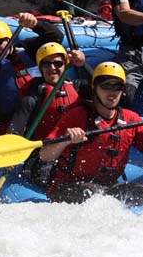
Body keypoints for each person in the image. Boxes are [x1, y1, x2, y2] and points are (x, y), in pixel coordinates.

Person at [38, 61, 143, 206]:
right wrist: (65, 141)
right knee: (95, 195)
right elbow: (44, 155)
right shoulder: (77, 115)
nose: (112, 92)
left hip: (106, 188)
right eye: (106, 86)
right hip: (67, 187)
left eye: (117, 87)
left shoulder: (130, 119)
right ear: (95, 88)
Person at [6, 42, 93, 187]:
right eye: (46, 64)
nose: (52, 68)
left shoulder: (76, 86)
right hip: (43, 156)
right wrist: (10, 155)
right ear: (40, 68)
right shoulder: (34, 93)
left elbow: (99, 87)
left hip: (73, 153)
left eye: (58, 63)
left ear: (65, 65)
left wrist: (83, 65)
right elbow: (17, 126)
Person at [0, 13, 63, 134]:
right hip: (11, 123)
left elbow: (56, 37)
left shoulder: (28, 48)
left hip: (43, 115)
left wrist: (35, 24)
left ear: (9, 40)